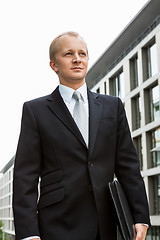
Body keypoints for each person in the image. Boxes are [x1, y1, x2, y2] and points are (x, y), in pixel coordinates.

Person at [13, 31, 150, 240]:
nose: (77, 59)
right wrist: (29, 233)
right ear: (54, 65)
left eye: (82, 54)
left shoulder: (112, 106)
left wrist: (140, 215)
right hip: (57, 224)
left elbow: (128, 166)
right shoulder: (35, 110)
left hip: (105, 223)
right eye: (68, 54)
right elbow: (25, 177)